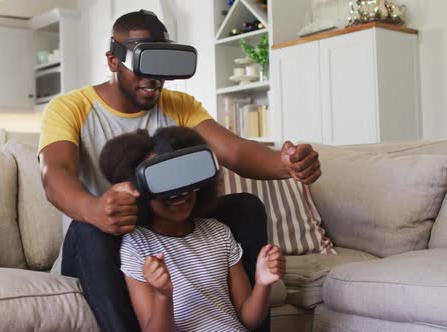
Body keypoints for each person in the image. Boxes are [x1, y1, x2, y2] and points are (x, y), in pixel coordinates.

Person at [38, 10, 321, 332]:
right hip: (106, 238)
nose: (154, 79)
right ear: (113, 61)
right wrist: (95, 209)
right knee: (89, 229)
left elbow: (234, 150)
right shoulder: (70, 107)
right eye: (143, 64)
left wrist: (286, 164)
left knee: (245, 206)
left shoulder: (180, 104)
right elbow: (55, 174)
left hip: (162, 230)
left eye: (162, 66)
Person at [99, 126, 286, 332]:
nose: (180, 195)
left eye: (185, 178)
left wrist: (263, 283)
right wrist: (163, 294)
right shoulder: (137, 245)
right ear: (140, 190)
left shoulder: (219, 232)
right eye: (165, 183)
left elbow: (249, 320)